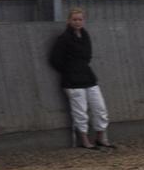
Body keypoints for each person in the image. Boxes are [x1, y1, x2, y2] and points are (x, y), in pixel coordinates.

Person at [49, 8, 115, 150]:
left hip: (88, 77)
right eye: (75, 19)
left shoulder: (85, 36)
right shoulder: (64, 39)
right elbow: (55, 59)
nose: (77, 22)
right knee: (80, 111)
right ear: (69, 21)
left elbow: (88, 55)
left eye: (80, 19)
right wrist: (69, 70)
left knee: (100, 108)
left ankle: (100, 137)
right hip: (72, 81)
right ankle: (85, 141)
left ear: (83, 21)